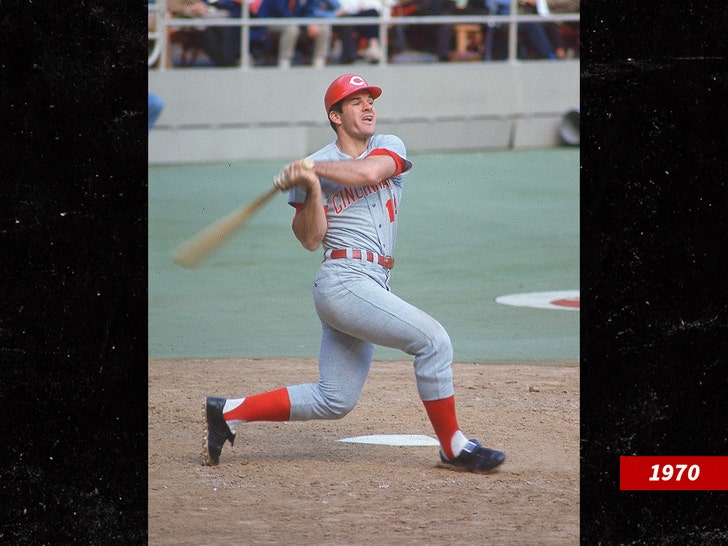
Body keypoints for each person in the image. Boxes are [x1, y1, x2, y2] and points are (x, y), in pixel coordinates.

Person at [204, 73, 507, 474]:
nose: (368, 107)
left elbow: (367, 173)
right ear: (335, 115)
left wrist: (313, 169)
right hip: (342, 281)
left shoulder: (387, 146)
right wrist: (310, 187)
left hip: (372, 281)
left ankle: (228, 412)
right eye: (356, 101)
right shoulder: (315, 166)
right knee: (433, 341)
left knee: (335, 399)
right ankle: (453, 447)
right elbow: (311, 239)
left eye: (370, 100)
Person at [256, 0, 333, 68]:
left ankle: (319, 62)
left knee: (323, 28)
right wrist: (305, 25)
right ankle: (284, 62)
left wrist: (310, 23)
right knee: (291, 28)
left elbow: (310, 11)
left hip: (297, 22)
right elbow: (282, 12)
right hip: (271, 20)